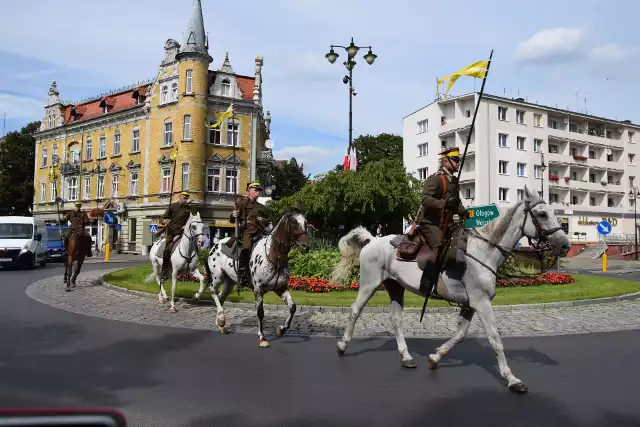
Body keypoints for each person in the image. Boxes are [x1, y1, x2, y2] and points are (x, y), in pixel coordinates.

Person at [416, 146, 468, 295]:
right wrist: (444, 204)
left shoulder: (453, 181)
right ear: (446, 162)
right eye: (456, 160)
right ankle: (428, 285)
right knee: (440, 246)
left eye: (459, 160)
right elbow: (425, 199)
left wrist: (465, 214)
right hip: (429, 222)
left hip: (447, 222)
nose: (458, 163)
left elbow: (456, 203)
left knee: (462, 241)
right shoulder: (436, 178)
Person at [230, 181, 270, 288]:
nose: (258, 193)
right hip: (247, 231)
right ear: (249, 191)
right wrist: (233, 215)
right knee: (246, 248)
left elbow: (268, 221)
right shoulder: (241, 204)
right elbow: (232, 220)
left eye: (259, 191)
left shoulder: (262, 207)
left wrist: (263, 219)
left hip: (260, 231)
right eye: (255, 190)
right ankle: (242, 274)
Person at [156, 191, 195, 280]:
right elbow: (163, 217)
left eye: (187, 198)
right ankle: (164, 271)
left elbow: (190, 218)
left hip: (182, 232)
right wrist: (164, 221)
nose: (185, 199)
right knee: (167, 250)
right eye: (184, 198)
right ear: (180, 197)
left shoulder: (188, 208)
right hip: (171, 232)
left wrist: (186, 225)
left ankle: (189, 268)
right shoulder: (172, 206)